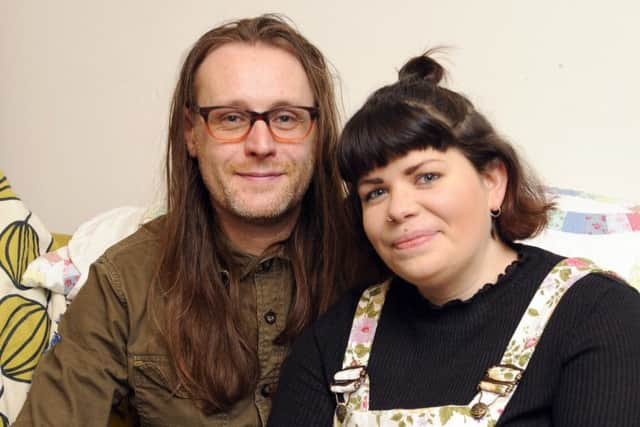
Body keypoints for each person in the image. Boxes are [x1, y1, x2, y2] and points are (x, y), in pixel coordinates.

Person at [14, 14, 368, 427]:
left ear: (318, 131)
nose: (261, 144)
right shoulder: (125, 281)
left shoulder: (379, 252)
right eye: (231, 118)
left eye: (286, 117)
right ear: (191, 133)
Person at [268, 52, 640, 426]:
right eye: (375, 192)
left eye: (426, 177)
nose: (399, 209)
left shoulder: (598, 313)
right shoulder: (335, 340)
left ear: (493, 181)